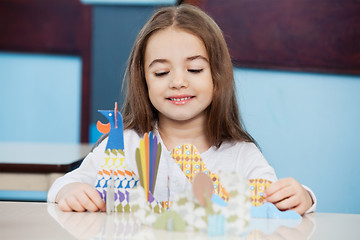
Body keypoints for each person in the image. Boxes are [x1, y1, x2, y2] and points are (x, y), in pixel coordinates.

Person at [48, 4, 316, 215]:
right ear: (144, 81)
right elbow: (66, 183)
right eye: (162, 72)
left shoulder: (240, 154)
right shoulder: (126, 145)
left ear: (217, 76)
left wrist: (302, 196)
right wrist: (70, 190)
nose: (178, 82)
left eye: (195, 69)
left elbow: (273, 199)